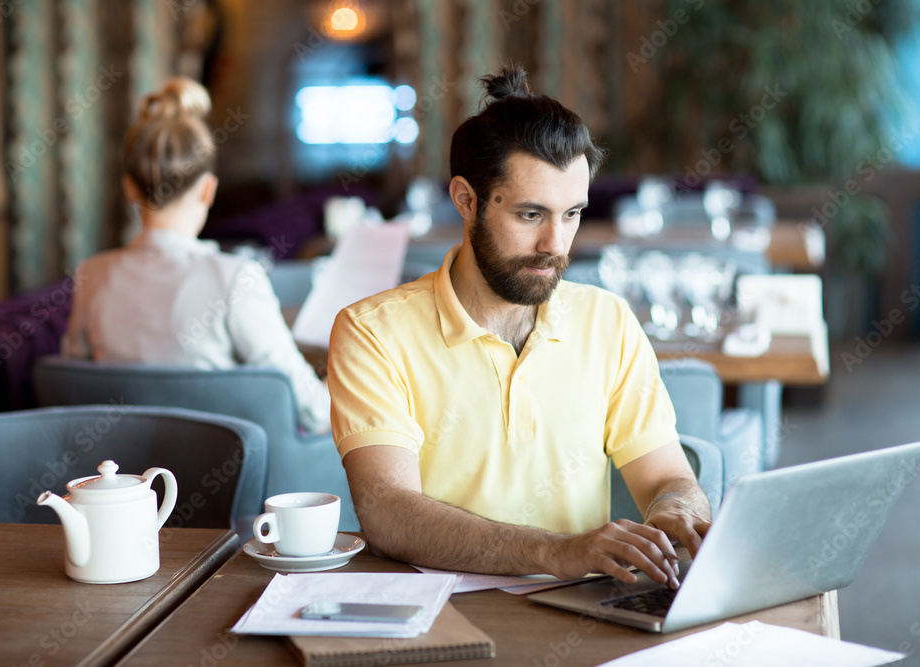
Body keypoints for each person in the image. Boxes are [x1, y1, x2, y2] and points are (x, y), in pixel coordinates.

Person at [327, 66, 711, 588]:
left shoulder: (608, 320)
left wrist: (673, 512)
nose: (556, 244)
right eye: (532, 216)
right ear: (466, 200)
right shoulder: (371, 332)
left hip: (580, 609)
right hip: (438, 611)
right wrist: (558, 551)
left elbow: (669, 477)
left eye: (572, 214)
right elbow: (389, 512)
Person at [62, 77, 330, 434]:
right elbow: (312, 412)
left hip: (127, 477)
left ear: (129, 188)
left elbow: (72, 384)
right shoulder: (237, 278)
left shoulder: (91, 276)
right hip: (237, 483)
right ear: (208, 189)